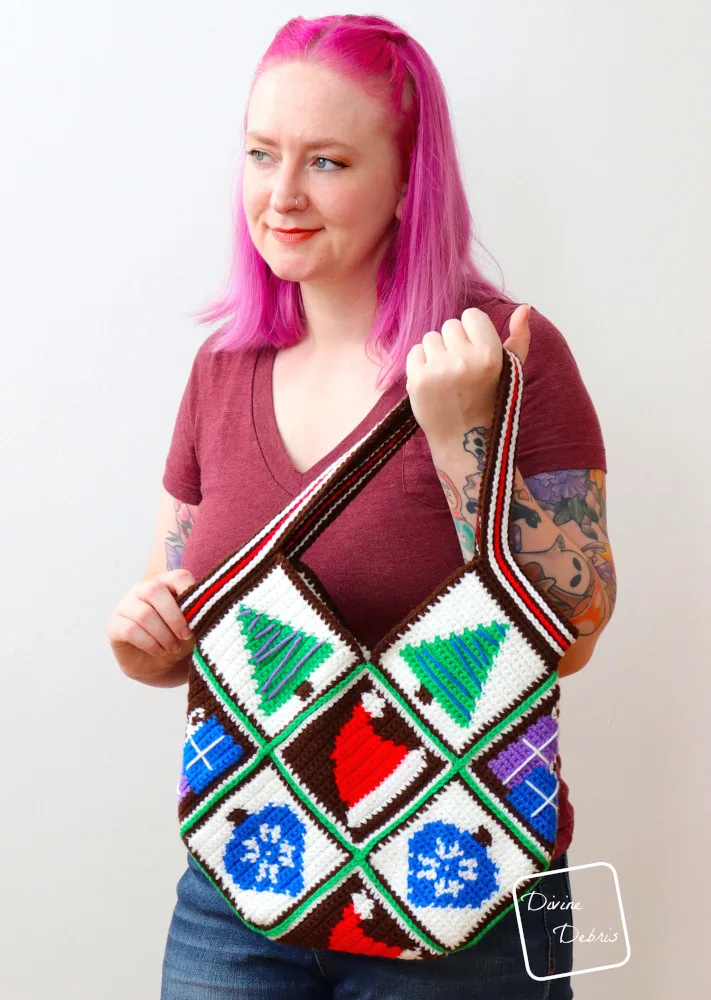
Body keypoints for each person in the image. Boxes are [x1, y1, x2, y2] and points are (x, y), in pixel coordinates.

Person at [107, 13, 616, 999]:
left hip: (483, 892)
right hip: (243, 886)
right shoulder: (221, 369)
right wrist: (146, 643)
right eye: (261, 154)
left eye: (328, 162)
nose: (281, 194)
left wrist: (464, 431)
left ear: (406, 181)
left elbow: (578, 632)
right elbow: (175, 609)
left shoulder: (513, 352)